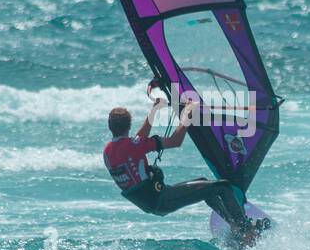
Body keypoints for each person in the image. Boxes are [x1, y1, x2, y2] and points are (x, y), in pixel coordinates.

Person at [103, 88, 261, 239]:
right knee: (222, 187)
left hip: (149, 203)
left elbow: (137, 142)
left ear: (110, 127)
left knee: (206, 185)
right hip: (162, 198)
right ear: (129, 125)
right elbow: (175, 141)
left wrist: (155, 110)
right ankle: (246, 230)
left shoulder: (108, 152)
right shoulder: (133, 146)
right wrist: (187, 114)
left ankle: (235, 226)